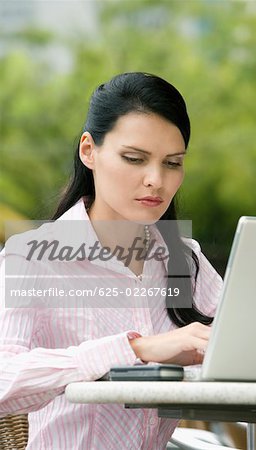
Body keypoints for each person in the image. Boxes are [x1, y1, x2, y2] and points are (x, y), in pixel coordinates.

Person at [0, 72, 223, 449]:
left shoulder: (185, 258)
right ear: (89, 151)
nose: (156, 179)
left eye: (172, 163)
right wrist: (134, 350)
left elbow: (242, 348)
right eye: (135, 159)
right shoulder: (31, 258)